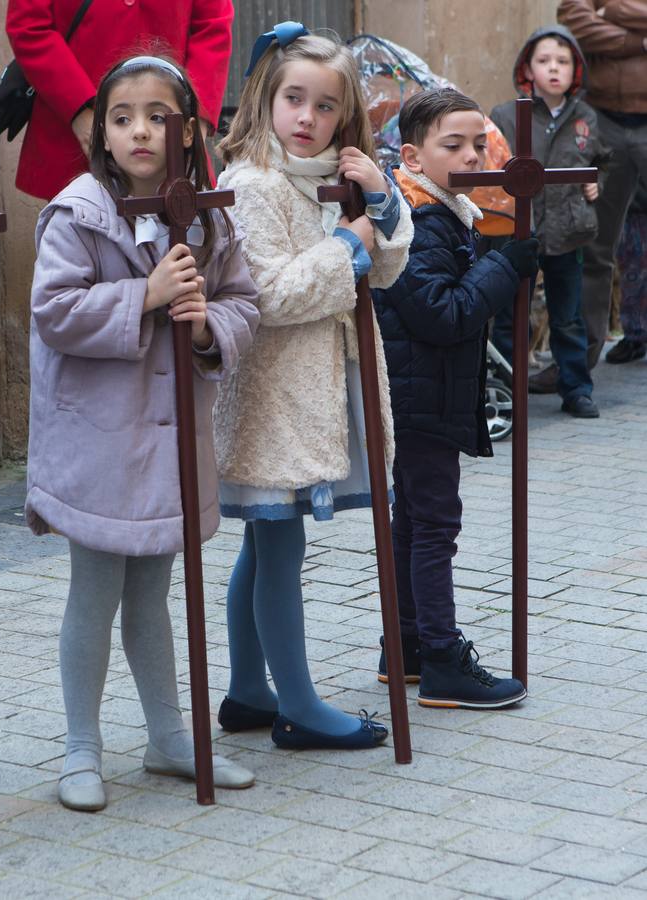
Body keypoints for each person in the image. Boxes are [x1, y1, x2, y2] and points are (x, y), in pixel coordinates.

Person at [26, 55, 260, 811]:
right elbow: (53, 311)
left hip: (169, 440)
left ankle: (168, 739)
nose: (137, 131)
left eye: (155, 116)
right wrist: (145, 294)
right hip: (97, 439)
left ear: (186, 129)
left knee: (154, 593)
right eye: (121, 116)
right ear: (101, 128)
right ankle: (80, 748)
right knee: (93, 593)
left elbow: (241, 302)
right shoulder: (79, 211)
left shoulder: (208, 213)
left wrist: (203, 329)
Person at [211, 25, 412, 750]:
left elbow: (383, 272)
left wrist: (379, 205)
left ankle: (245, 690)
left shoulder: (332, 177)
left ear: (344, 118)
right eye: (293, 99)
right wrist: (347, 245)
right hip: (272, 390)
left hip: (319, 384)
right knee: (278, 544)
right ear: (266, 98)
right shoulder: (252, 184)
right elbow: (269, 295)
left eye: (325, 106)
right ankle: (298, 707)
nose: (307, 117)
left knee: (263, 547)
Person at [372, 88, 534, 710]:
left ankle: (407, 647)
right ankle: (440, 658)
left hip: (422, 397)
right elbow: (443, 314)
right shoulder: (421, 222)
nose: (471, 155)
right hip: (421, 401)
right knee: (434, 525)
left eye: (478, 143)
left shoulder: (443, 212)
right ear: (413, 157)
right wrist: (503, 268)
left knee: (414, 522)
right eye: (453, 145)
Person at [6, 0, 233, 200]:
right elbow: (29, 27)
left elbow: (213, 27)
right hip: (78, 131)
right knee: (81, 239)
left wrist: (195, 122)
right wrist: (80, 114)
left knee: (184, 239)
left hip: (170, 130)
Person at [490, 26, 604, 418]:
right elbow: (493, 164)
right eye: (544, 61)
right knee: (510, 313)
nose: (554, 69)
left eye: (563, 61)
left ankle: (575, 388)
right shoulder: (507, 115)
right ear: (527, 69)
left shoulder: (587, 118)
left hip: (569, 233)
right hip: (519, 230)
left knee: (568, 316)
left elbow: (601, 163)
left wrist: (596, 184)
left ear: (577, 70)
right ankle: (507, 390)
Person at [557, 0, 647, 367]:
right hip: (603, 119)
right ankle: (581, 360)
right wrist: (639, 42)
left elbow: (597, 25)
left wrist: (612, 11)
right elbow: (577, 22)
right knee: (594, 243)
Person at [614, 182, 647, 358]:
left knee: (634, 275)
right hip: (632, 205)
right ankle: (635, 335)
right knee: (632, 275)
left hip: (636, 206)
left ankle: (636, 336)